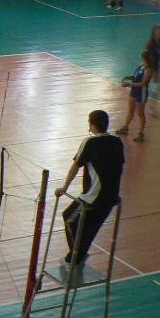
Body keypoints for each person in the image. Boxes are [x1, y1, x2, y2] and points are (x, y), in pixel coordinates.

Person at [54, 109, 125, 267]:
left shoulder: (89, 142)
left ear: (93, 126)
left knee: (69, 218)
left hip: (94, 197)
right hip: (112, 196)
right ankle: (77, 256)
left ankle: (75, 257)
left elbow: (76, 166)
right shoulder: (117, 141)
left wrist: (64, 187)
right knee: (89, 225)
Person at [116, 50, 153, 141]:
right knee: (131, 110)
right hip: (134, 91)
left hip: (141, 93)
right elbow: (136, 77)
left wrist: (129, 84)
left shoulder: (148, 69)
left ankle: (141, 133)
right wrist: (129, 77)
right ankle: (125, 127)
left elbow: (143, 83)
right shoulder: (141, 66)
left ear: (143, 57)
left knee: (140, 113)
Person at [144, 25, 160, 117]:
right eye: (158, 32)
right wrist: (147, 65)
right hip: (148, 65)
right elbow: (145, 54)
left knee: (157, 86)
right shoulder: (150, 42)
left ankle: (152, 108)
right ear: (154, 32)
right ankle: (138, 102)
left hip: (156, 66)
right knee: (143, 84)